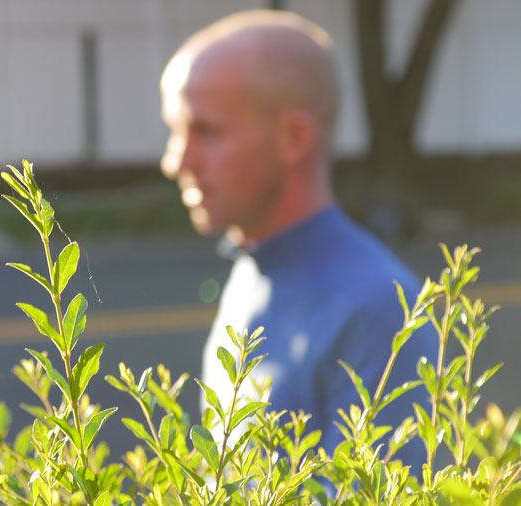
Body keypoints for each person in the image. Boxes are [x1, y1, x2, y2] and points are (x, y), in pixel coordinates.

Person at [159, 10, 437, 465]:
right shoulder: (253, 268)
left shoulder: (376, 313)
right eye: (176, 132)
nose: (176, 161)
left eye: (205, 131)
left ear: (293, 139)